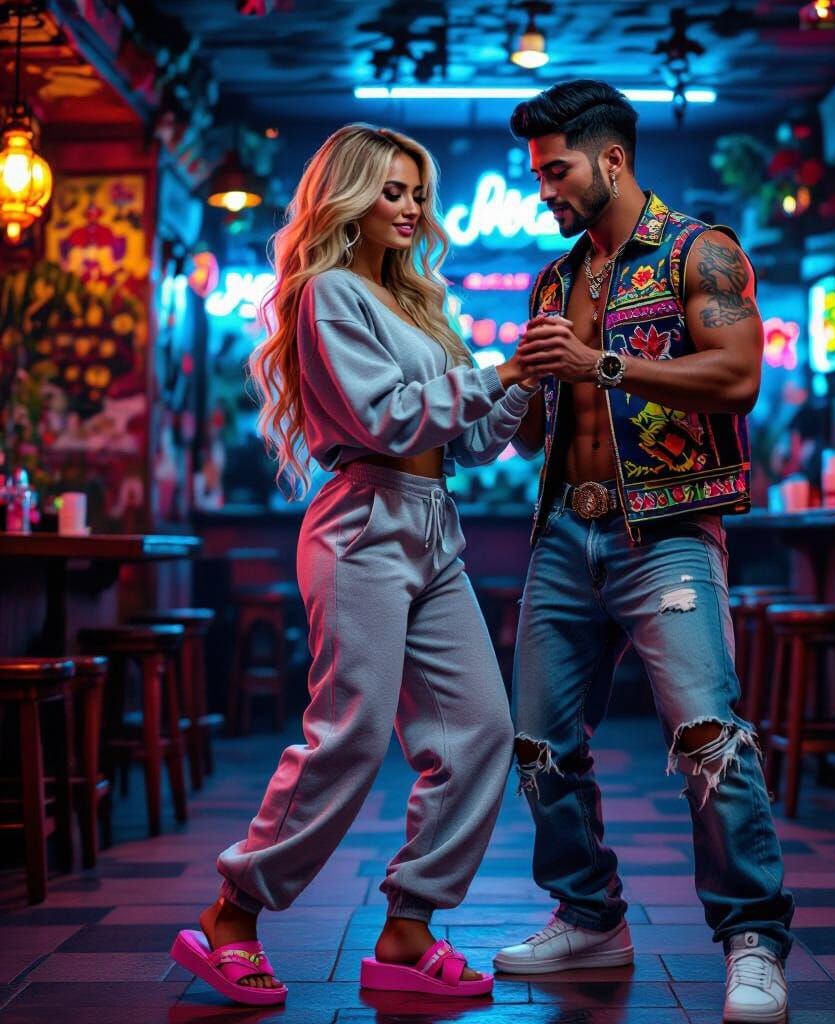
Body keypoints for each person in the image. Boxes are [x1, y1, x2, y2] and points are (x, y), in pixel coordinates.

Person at [170, 124, 538, 1006]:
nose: (411, 208)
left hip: (434, 524)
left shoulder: (421, 307)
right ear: (349, 197)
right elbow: (385, 420)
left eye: (418, 192)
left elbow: (477, 439)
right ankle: (233, 912)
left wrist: (534, 376)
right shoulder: (330, 294)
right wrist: (501, 369)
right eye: (391, 191)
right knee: (354, 732)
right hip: (362, 523)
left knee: (482, 729)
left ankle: (409, 932)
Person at [493, 81, 795, 1024]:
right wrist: (527, 381)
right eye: (537, 173)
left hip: (664, 529)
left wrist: (603, 364)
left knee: (708, 737)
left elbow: (739, 378)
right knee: (539, 745)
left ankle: (752, 941)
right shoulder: (554, 278)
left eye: (556, 170)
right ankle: (589, 916)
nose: (544, 189)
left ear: (610, 159)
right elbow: (533, 431)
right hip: (561, 531)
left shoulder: (698, 252)